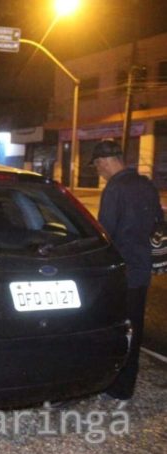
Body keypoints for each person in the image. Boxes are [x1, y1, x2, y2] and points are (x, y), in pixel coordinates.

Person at [91, 139, 164, 400]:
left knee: (116, 327)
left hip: (121, 271)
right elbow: (158, 223)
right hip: (141, 270)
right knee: (136, 325)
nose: (99, 171)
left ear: (105, 161)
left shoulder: (115, 188)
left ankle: (114, 383)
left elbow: (105, 232)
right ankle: (126, 386)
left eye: (98, 166)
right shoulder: (146, 184)